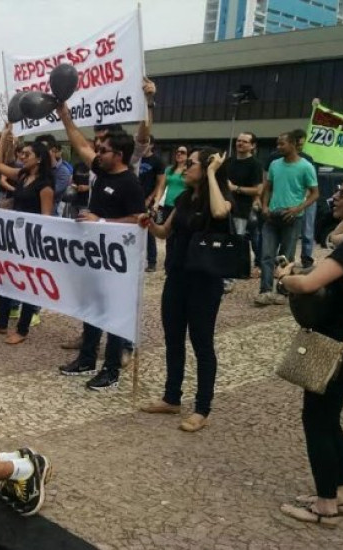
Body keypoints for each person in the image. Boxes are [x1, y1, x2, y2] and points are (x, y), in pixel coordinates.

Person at [275, 172, 343, 526]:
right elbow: (333, 251)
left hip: (339, 344)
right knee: (330, 417)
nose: (335, 196)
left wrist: (286, 278)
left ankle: (325, 505)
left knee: (318, 420)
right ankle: (341, 490)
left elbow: (310, 284)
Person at [138, 148, 233, 432]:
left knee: (202, 344)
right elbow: (164, 232)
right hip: (177, 276)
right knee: (173, 339)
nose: (185, 167)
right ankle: (171, 397)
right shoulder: (183, 198)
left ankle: (202, 408)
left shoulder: (220, 197)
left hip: (204, 282)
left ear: (206, 168)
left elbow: (219, 212)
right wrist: (148, 224)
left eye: (191, 163)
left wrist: (213, 173)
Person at [55, 104, 146, 391]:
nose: (98, 152)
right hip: (93, 256)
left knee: (113, 313)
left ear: (118, 155)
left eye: (104, 150)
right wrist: (65, 116)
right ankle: (86, 359)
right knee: (91, 308)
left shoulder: (130, 183)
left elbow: (138, 218)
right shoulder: (101, 170)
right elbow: (80, 144)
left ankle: (111, 370)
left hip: (117, 261)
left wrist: (102, 221)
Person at [0, 130, 53, 344]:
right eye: (22, 153)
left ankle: (22, 329)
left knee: (28, 283)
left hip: (30, 241)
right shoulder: (22, 176)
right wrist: (4, 138)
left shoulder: (45, 186)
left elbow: (46, 218)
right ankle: (1, 323)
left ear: (39, 159)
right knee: (4, 277)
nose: (22, 156)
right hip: (12, 237)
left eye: (27, 154)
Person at [255, 131, 319, 306]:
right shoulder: (275, 164)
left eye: (282, 144)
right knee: (266, 255)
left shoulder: (306, 166)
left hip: (292, 217)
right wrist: (265, 206)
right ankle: (265, 291)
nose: (278, 147)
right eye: (277, 144)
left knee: (286, 257)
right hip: (272, 216)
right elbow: (268, 187)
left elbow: (315, 193)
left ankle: (282, 291)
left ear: (292, 144)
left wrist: (298, 209)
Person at [223, 132, 263, 293]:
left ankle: (229, 278)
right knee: (223, 241)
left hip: (241, 210)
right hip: (225, 207)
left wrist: (236, 188)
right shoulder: (229, 161)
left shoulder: (255, 164)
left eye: (244, 142)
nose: (240, 143)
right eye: (238, 141)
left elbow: (258, 189)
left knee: (235, 243)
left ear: (252, 146)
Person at [137, 136, 167, 272]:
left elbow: (160, 183)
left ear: (151, 145)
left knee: (149, 230)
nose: (143, 145)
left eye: (146, 143)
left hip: (148, 200)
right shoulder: (135, 159)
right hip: (134, 199)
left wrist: (151, 198)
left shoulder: (157, 161)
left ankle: (152, 261)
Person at [33, 134, 71, 216]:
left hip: (50, 216)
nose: (41, 153)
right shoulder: (34, 168)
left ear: (53, 150)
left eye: (44, 149)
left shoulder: (63, 172)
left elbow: (50, 193)